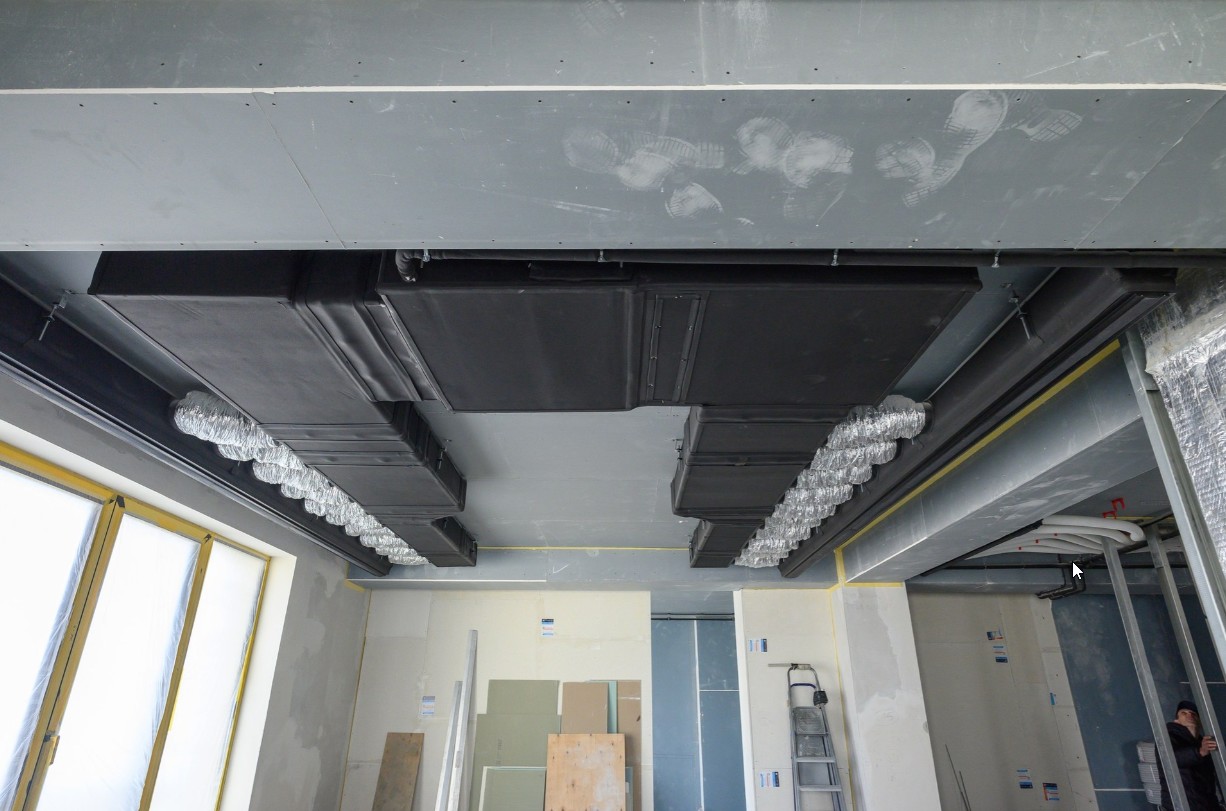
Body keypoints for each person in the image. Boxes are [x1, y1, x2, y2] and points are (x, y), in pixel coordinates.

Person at [1161, 700, 1224, 811]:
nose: (1189, 716)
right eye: (1184, 713)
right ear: (1176, 720)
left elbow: (1212, 776)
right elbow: (1171, 760)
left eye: (1193, 714)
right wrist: (1200, 752)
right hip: (1183, 805)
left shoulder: (1202, 742)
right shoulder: (1167, 737)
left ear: (1199, 721)